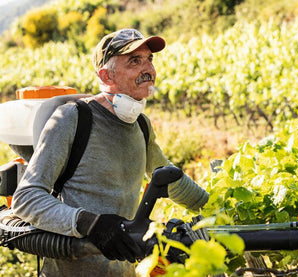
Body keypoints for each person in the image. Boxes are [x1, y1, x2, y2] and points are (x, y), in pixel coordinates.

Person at [11, 28, 209, 276]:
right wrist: (91, 224)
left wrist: (216, 210)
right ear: (106, 75)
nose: (148, 69)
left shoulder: (141, 124)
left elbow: (169, 178)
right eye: (134, 61)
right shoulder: (73, 118)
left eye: (149, 59)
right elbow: (26, 198)